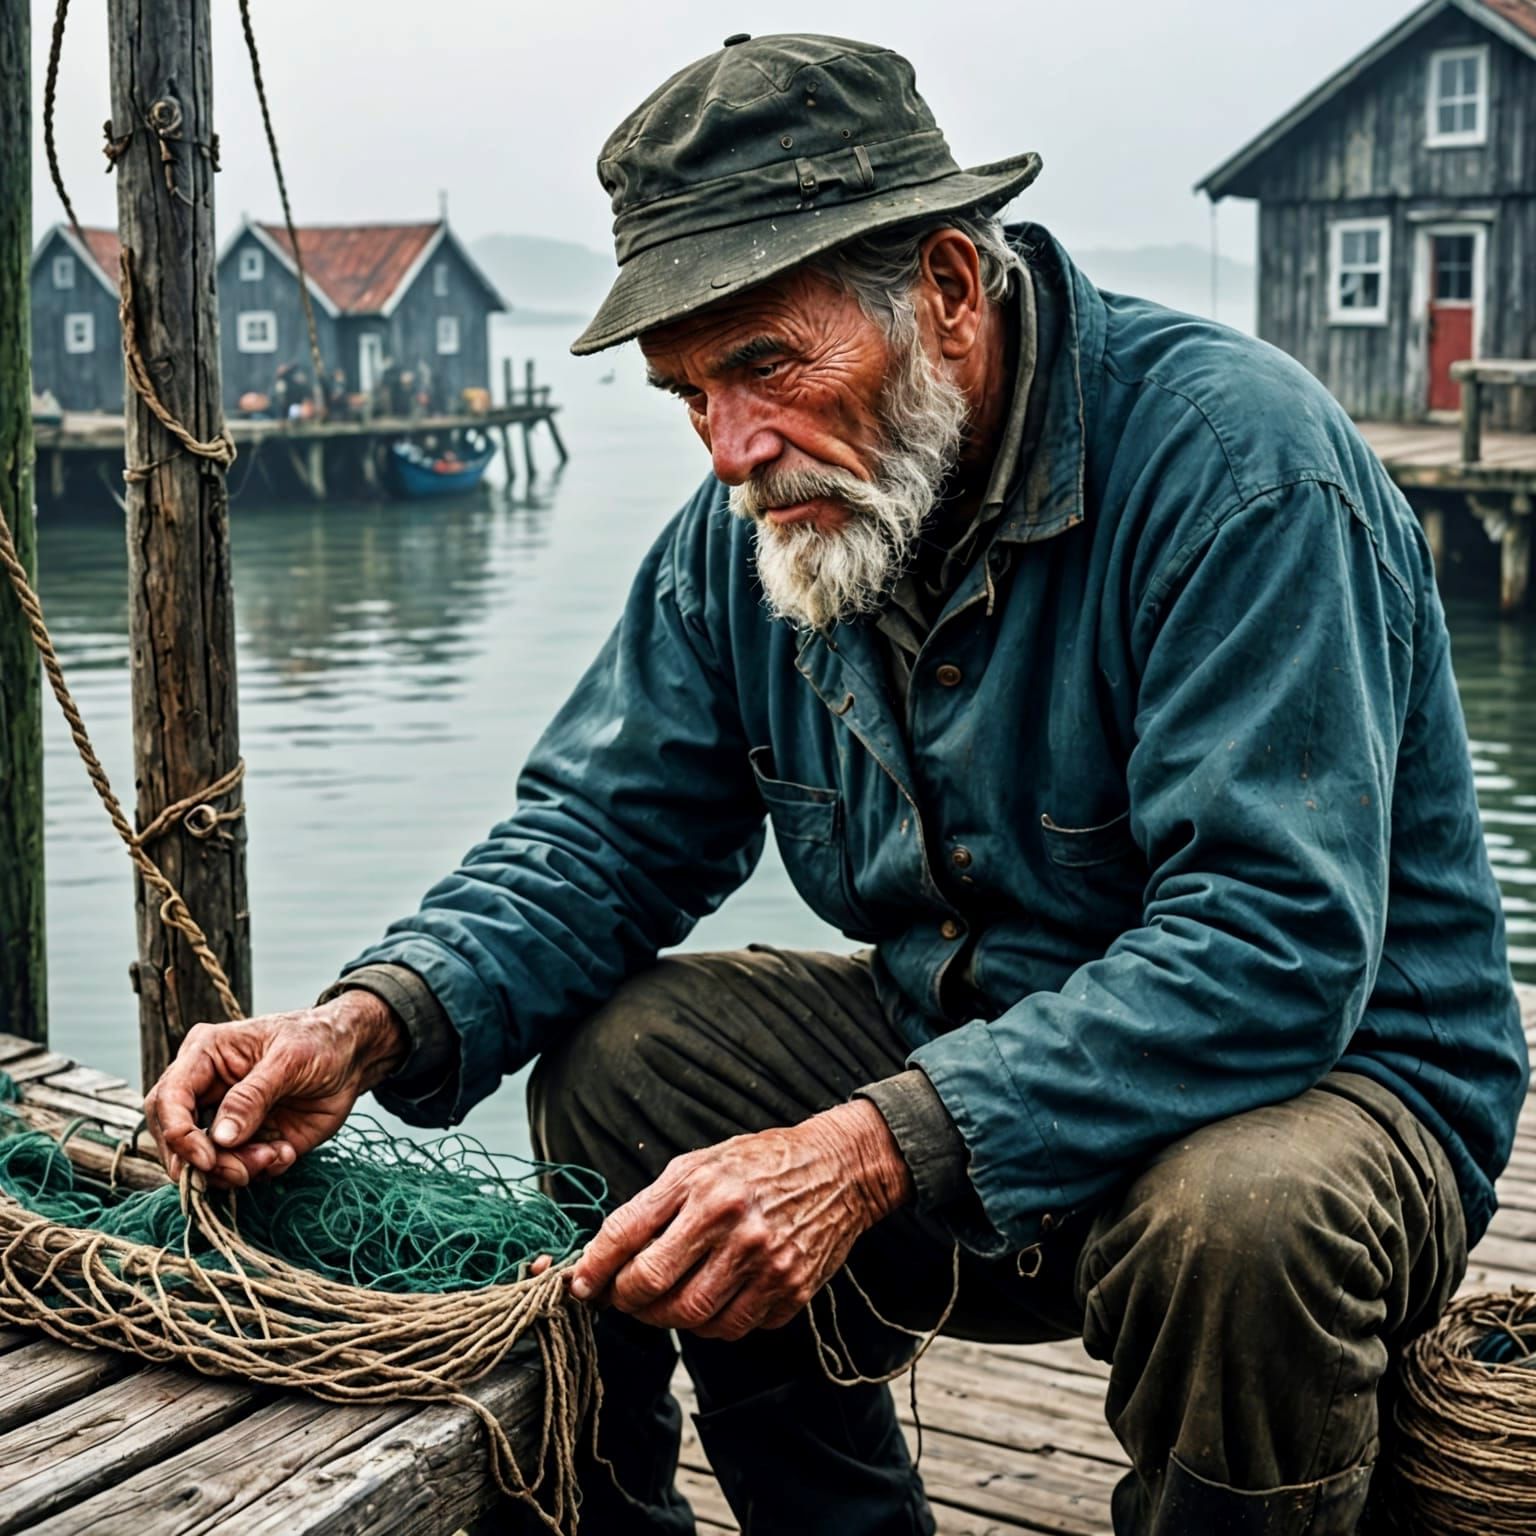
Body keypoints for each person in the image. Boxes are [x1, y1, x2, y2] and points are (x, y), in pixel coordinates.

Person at [144, 34, 1526, 1536]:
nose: (732, 448)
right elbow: (602, 834)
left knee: (1243, 1221)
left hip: (1319, 1088)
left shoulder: (1240, 471)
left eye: (765, 367)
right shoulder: (766, 515)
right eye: (687, 394)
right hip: (974, 1053)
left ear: (946, 289)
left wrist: (862, 1150)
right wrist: (373, 1016)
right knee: (630, 1064)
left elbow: (1273, 951)